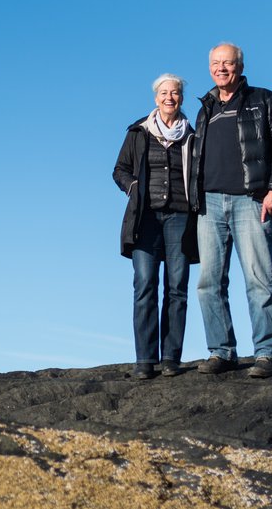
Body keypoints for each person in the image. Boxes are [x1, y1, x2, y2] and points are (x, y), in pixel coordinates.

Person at [190, 41, 272, 377]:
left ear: (240, 66)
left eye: (228, 63)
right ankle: (221, 352)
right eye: (215, 63)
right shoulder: (205, 107)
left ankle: (268, 352)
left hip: (252, 201)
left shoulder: (264, 100)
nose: (221, 68)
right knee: (209, 282)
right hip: (209, 203)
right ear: (209, 67)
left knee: (258, 279)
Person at [113, 73, 200, 379]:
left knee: (177, 287)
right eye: (164, 93)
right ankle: (145, 360)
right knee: (145, 285)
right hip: (145, 218)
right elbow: (119, 169)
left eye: (175, 93)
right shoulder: (138, 132)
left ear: (181, 99)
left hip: (180, 217)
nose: (169, 98)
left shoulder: (193, 134)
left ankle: (171, 358)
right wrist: (133, 185)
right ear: (156, 98)